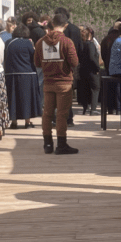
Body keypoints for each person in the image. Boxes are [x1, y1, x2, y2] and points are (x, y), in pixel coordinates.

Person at [34, 15, 79, 155]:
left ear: (52, 24)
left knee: (47, 114)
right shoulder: (67, 42)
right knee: (62, 114)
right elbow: (74, 62)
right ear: (65, 25)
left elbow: (37, 63)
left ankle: (47, 144)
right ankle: (61, 144)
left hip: (48, 82)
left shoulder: (40, 42)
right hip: (64, 83)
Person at [4, 23, 42, 129]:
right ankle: (27, 122)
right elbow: (33, 57)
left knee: (13, 98)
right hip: (27, 74)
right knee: (27, 99)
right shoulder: (27, 43)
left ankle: (14, 122)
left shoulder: (8, 42)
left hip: (11, 74)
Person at [76, 26, 101, 115]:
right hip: (91, 70)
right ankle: (93, 109)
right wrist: (97, 67)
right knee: (95, 88)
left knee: (85, 89)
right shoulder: (90, 44)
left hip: (82, 69)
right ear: (89, 35)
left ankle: (85, 108)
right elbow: (92, 57)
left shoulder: (80, 45)